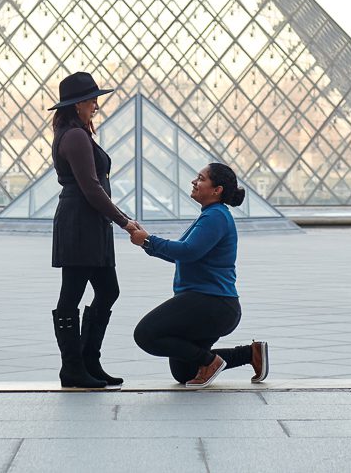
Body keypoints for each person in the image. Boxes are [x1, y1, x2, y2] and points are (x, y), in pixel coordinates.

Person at [130, 163, 268, 389]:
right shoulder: (212, 215)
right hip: (214, 304)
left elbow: (188, 251)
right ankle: (250, 354)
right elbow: (184, 255)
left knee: (146, 334)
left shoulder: (215, 217)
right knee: (184, 372)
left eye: (201, 178)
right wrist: (147, 243)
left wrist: (148, 240)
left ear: (217, 190)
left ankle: (210, 362)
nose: (194, 182)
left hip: (211, 303)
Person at [47, 71, 137, 389]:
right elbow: (92, 187)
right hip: (80, 225)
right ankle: (73, 368)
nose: (96, 105)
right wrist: (124, 221)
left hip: (89, 224)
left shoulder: (77, 133)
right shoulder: (74, 136)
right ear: (78, 104)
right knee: (71, 296)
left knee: (107, 290)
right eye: (93, 99)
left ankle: (88, 361)